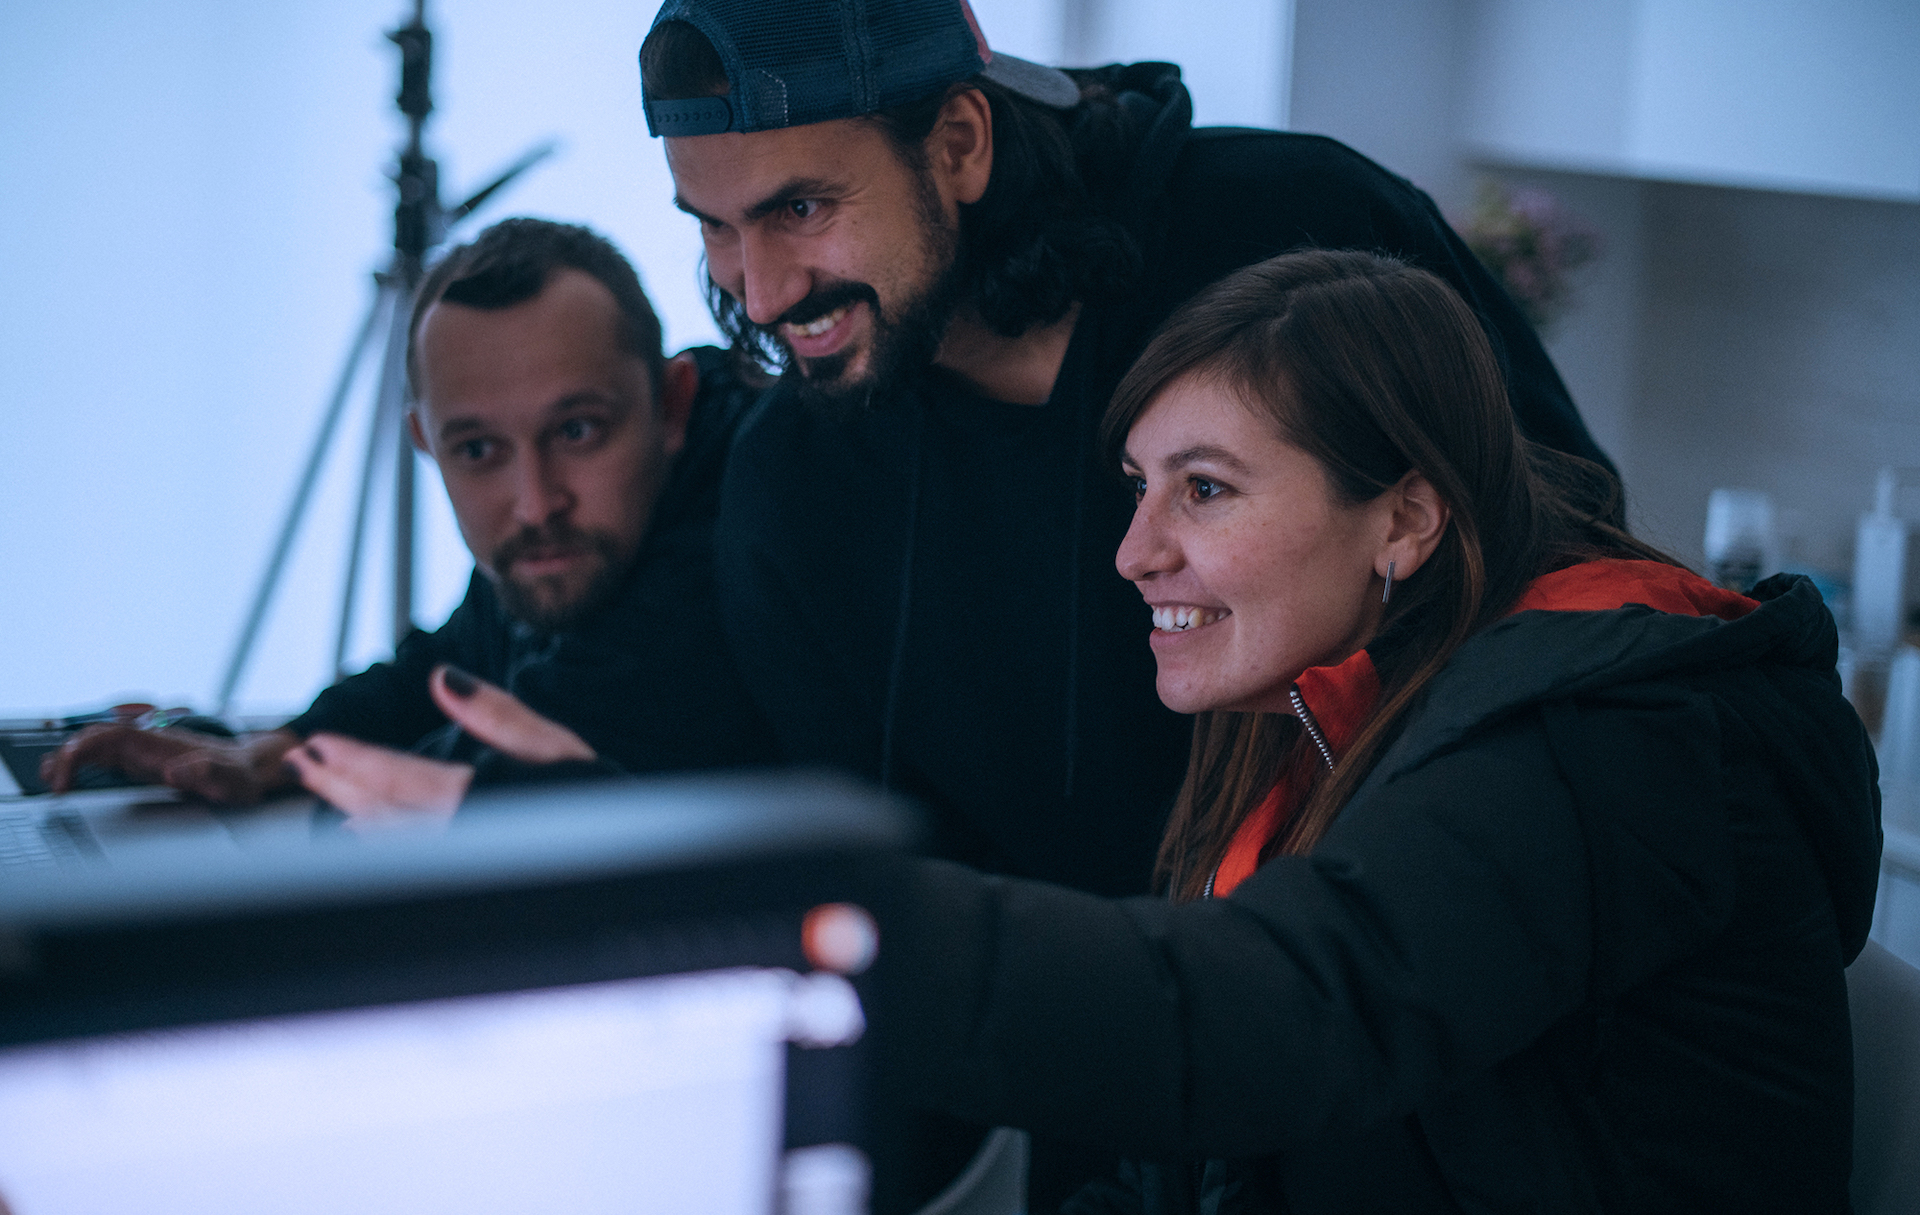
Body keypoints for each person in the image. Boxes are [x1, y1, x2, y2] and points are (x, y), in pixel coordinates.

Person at [381, 249, 1880, 1212]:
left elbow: (1259, 1023)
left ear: (1406, 516)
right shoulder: (1330, 711)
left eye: (1207, 491)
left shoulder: (1600, 746)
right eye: (1140, 488)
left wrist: (780, 913)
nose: (1135, 554)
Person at [643, 0, 1614, 906]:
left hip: (1446, 944)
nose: (760, 292)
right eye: (714, 226)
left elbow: (1569, 569)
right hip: (1088, 1030)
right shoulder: (790, 491)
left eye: (803, 208)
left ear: (959, 145)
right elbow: (891, 895)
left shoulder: (1298, 228)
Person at [45, 218, 775, 816]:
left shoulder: (744, 532)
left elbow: (426, 797)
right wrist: (265, 752)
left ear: (671, 406)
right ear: (428, 444)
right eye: (480, 448)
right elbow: (442, 666)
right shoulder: (576, 539)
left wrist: (297, 769)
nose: (534, 500)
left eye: (577, 430)